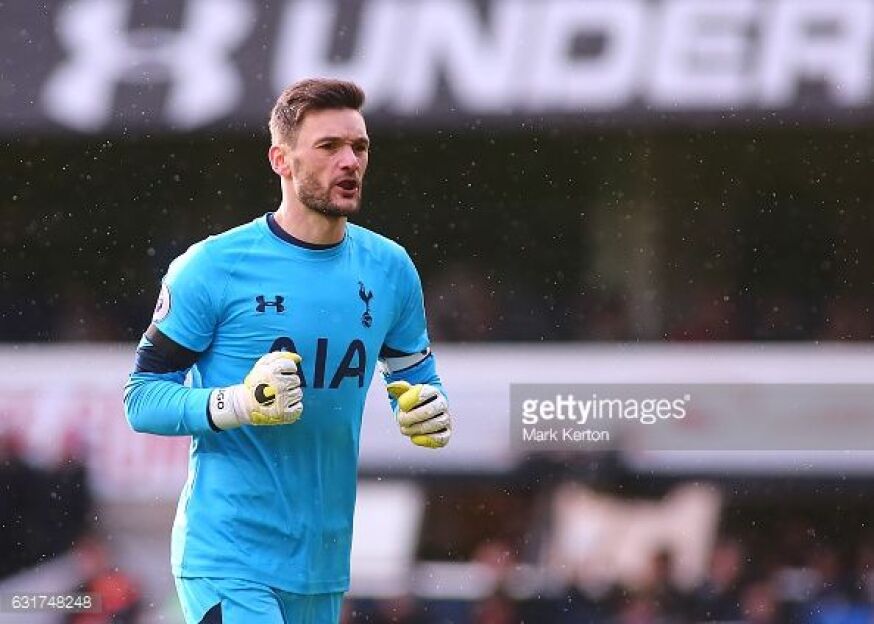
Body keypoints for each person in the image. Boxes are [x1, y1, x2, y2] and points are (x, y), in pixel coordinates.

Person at [123, 78, 452, 624]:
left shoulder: (391, 268)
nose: (349, 162)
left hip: (323, 565)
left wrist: (426, 409)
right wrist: (239, 403)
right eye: (329, 147)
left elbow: (416, 378)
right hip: (229, 557)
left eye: (359, 147)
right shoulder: (213, 266)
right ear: (281, 160)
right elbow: (141, 398)